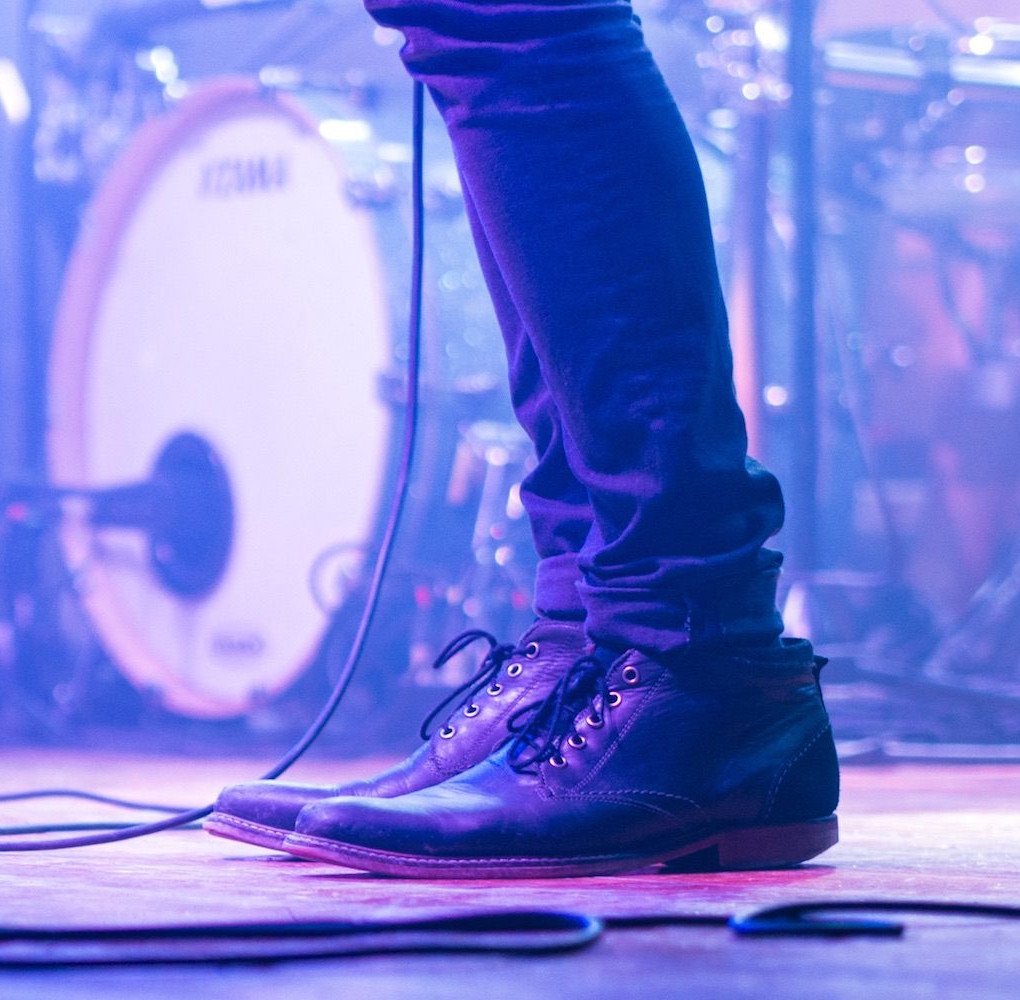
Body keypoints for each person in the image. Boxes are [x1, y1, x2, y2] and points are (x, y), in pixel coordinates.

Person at [204, 0, 838, 877]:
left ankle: (690, 654)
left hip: (696, 654)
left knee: (510, 17)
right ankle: (589, 644)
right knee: (473, 20)